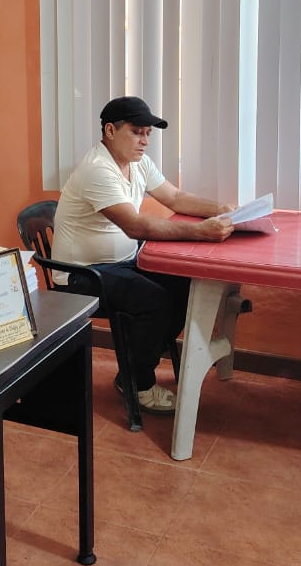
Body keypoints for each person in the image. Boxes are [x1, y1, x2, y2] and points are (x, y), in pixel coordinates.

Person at [52, 96, 235, 415]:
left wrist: (222, 210)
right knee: (155, 301)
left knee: (184, 284)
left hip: (122, 263)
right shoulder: (97, 170)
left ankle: (135, 363)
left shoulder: (138, 163)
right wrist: (201, 231)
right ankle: (139, 382)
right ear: (110, 131)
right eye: (137, 132)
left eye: (148, 133)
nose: (145, 141)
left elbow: (175, 198)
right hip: (82, 275)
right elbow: (135, 226)